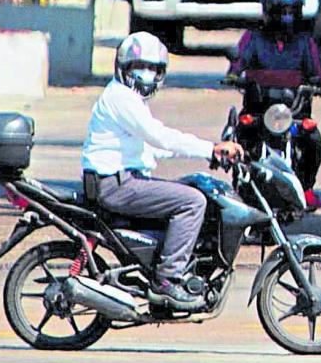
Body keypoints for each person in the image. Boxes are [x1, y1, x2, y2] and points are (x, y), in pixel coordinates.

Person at [82, 32, 244, 310]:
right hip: (116, 185)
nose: (146, 74)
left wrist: (207, 153)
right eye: (139, 67)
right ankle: (168, 280)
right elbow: (159, 136)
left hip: (120, 180)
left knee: (192, 187)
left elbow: (151, 146)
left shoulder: (125, 99)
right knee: (193, 202)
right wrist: (210, 149)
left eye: (153, 69)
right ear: (123, 67)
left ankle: (163, 264)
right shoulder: (122, 98)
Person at [227, 0, 321, 210]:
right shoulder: (253, 38)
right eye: (281, 12)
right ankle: (243, 184)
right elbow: (238, 61)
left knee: (313, 139)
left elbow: (316, 73)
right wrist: (234, 74)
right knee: (243, 132)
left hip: (294, 113)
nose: (287, 18)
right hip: (259, 110)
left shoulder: (305, 41)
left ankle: (306, 187)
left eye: (292, 12)